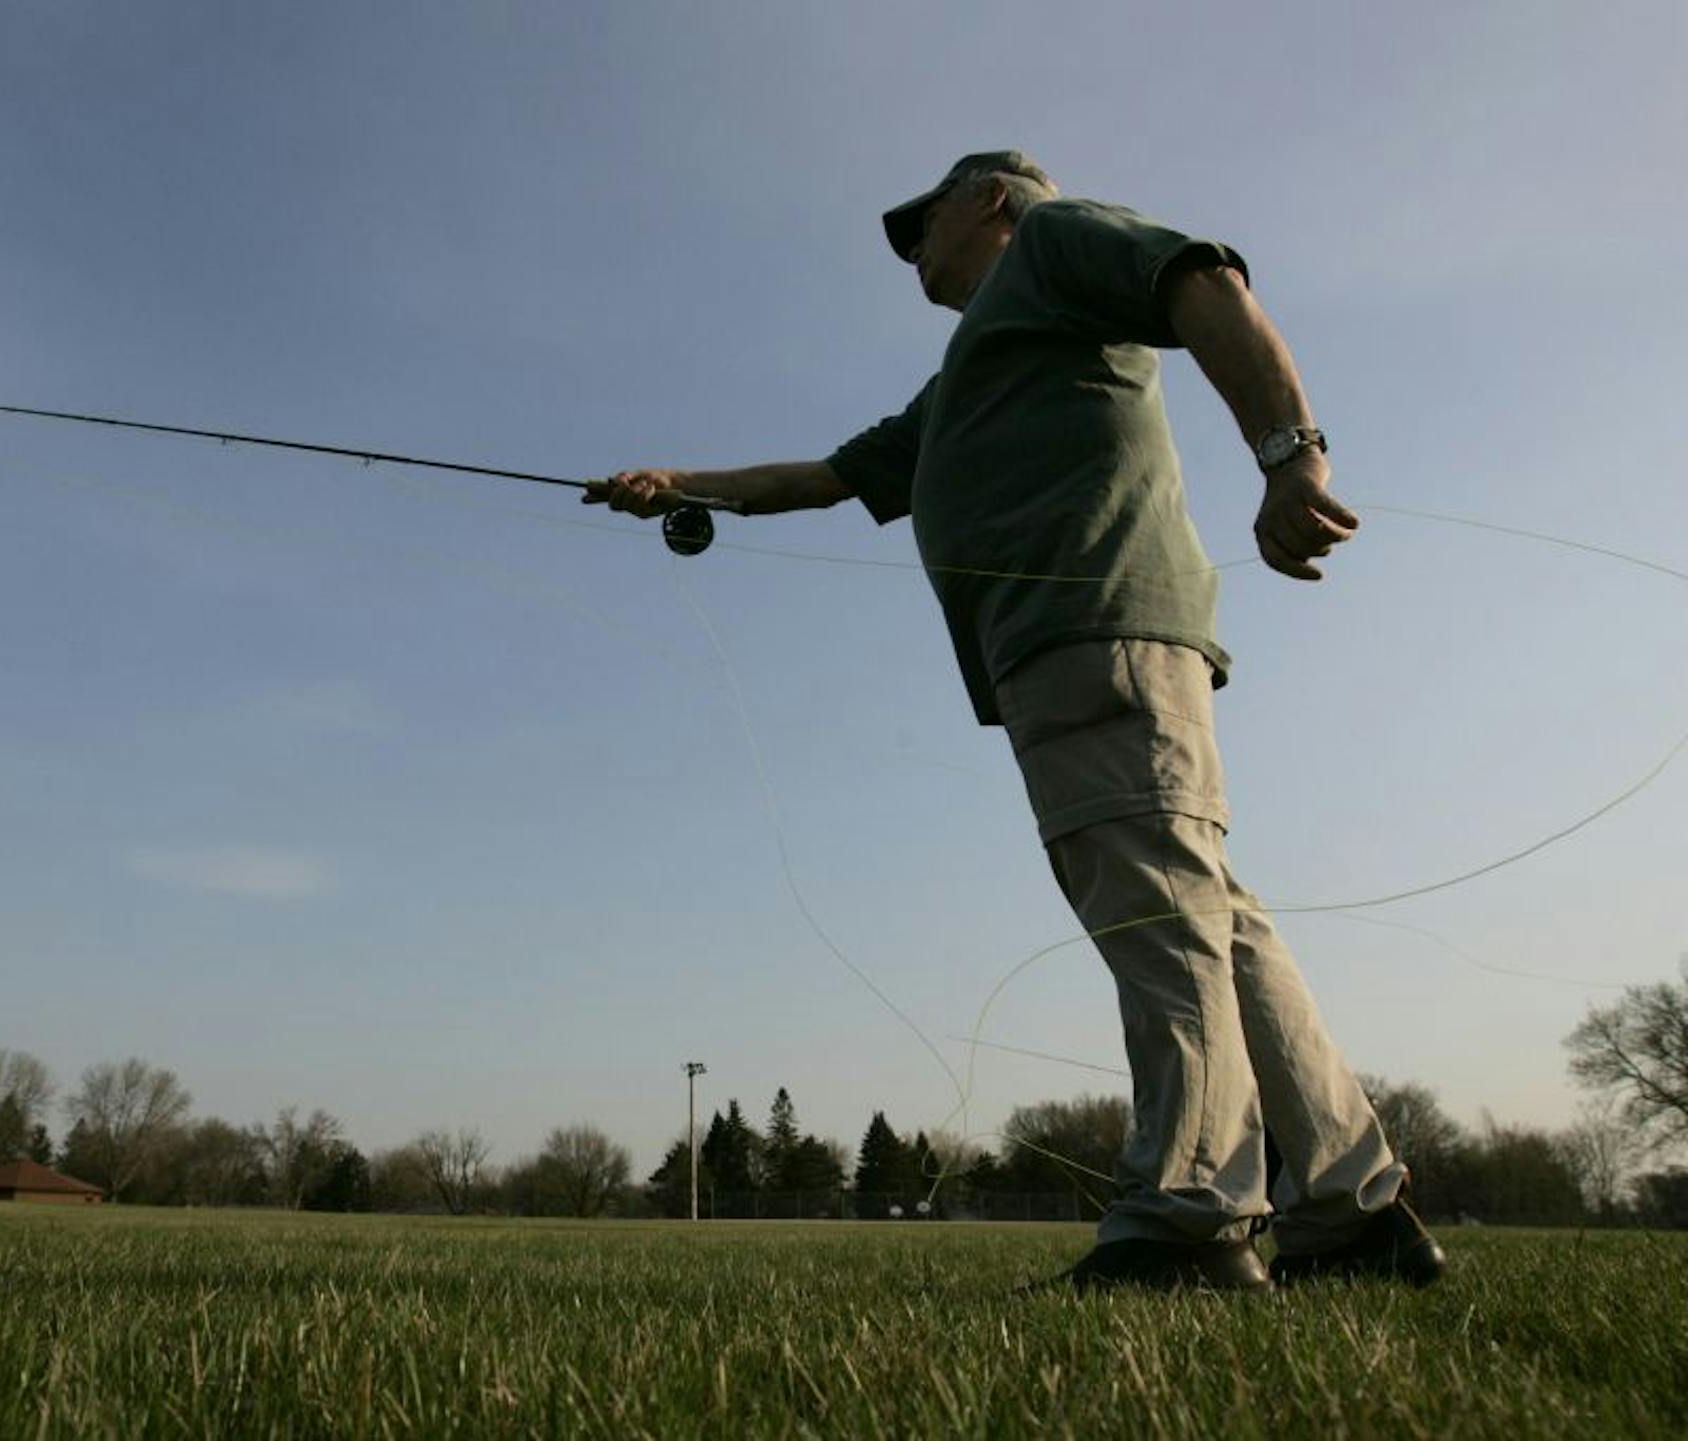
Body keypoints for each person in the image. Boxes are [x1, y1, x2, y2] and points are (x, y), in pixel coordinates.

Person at [594, 150, 1445, 1291]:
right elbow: (830, 476)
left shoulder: (1052, 240)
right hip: (1070, 653)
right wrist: (677, 482)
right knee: (1202, 907)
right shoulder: (968, 374)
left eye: (924, 221)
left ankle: (1190, 1217)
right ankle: (1353, 1210)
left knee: (1158, 905)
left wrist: (1291, 456)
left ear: (992, 196)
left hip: (1099, 634)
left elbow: (1204, 284)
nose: (912, 249)